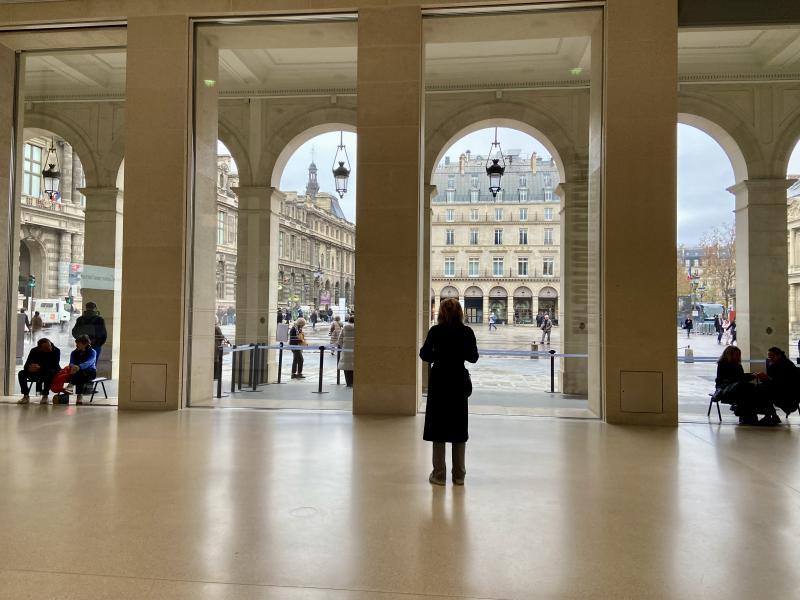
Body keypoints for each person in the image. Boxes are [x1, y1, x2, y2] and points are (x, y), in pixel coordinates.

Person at [419, 298, 479, 486]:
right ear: (460, 312)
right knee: (458, 426)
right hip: (458, 381)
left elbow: (424, 354)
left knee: (438, 428)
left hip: (439, 381)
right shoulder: (466, 332)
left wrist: (439, 353)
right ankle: (459, 475)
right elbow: (473, 357)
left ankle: (439, 475)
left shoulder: (436, 331)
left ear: (441, 313)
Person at [713, 346, 778, 425]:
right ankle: (766, 414)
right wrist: (751, 376)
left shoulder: (737, 365)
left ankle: (750, 415)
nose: (738, 357)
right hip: (727, 388)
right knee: (750, 391)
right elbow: (735, 378)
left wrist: (752, 375)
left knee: (756, 390)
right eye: (736, 355)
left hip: (736, 387)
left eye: (739, 355)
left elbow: (740, 378)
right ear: (730, 354)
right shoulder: (723, 364)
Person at [17, 338, 61, 405]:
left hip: (50, 371)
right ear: (40, 348)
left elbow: (54, 365)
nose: (49, 348)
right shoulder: (34, 351)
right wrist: (29, 368)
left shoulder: (56, 350)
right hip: (37, 371)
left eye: (50, 345)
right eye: (46, 348)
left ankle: (45, 395)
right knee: (21, 373)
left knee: (49, 372)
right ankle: (26, 396)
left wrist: (40, 367)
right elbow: (26, 365)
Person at [761, 347, 800, 417]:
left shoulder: (786, 365)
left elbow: (784, 384)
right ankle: (771, 415)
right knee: (762, 388)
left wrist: (767, 378)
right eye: (769, 358)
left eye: (772, 357)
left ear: (779, 356)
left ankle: (770, 415)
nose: (770, 360)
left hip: (789, 396)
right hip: (782, 391)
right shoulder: (775, 365)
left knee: (764, 391)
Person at [64, 334, 97, 405]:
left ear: (85, 344)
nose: (76, 345)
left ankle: (71, 385)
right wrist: (73, 367)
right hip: (76, 372)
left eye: (78, 344)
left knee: (79, 373)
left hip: (90, 372)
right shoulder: (74, 353)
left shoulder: (92, 352)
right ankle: (79, 396)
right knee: (79, 375)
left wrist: (79, 367)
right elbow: (71, 363)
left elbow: (89, 362)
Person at [337, 316, 355, 387]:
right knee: (354, 365)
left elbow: (339, 340)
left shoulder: (344, 328)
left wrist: (343, 347)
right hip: (355, 349)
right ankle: (354, 382)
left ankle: (348, 383)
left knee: (346, 365)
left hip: (346, 349)